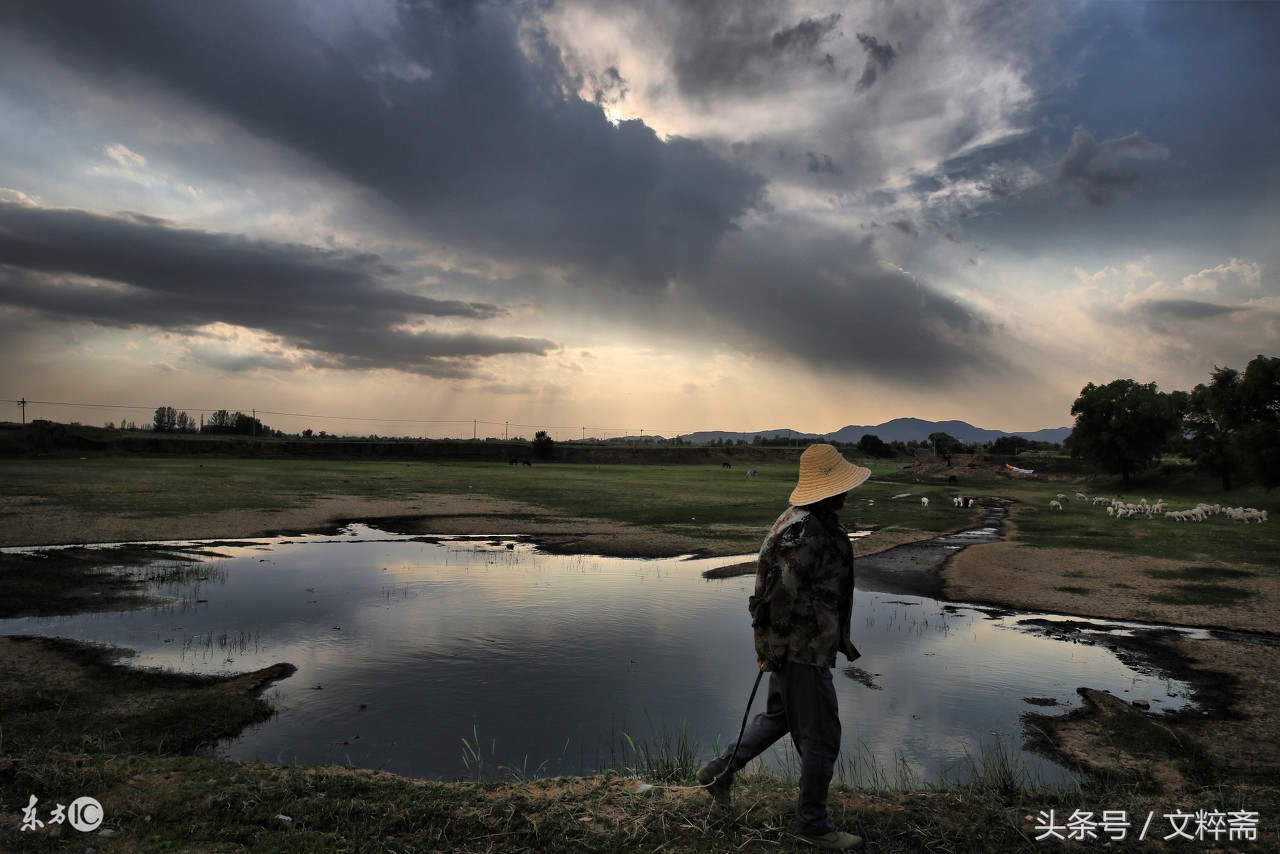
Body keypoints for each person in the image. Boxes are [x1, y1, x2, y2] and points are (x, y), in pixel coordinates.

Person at [697, 444, 869, 851]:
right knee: (821, 737)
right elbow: (777, 597)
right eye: (841, 483)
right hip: (799, 649)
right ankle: (813, 824)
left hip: (800, 645)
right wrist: (771, 649)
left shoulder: (812, 521)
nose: (848, 492)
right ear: (825, 488)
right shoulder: (805, 531)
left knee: (780, 716)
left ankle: (719, 771)